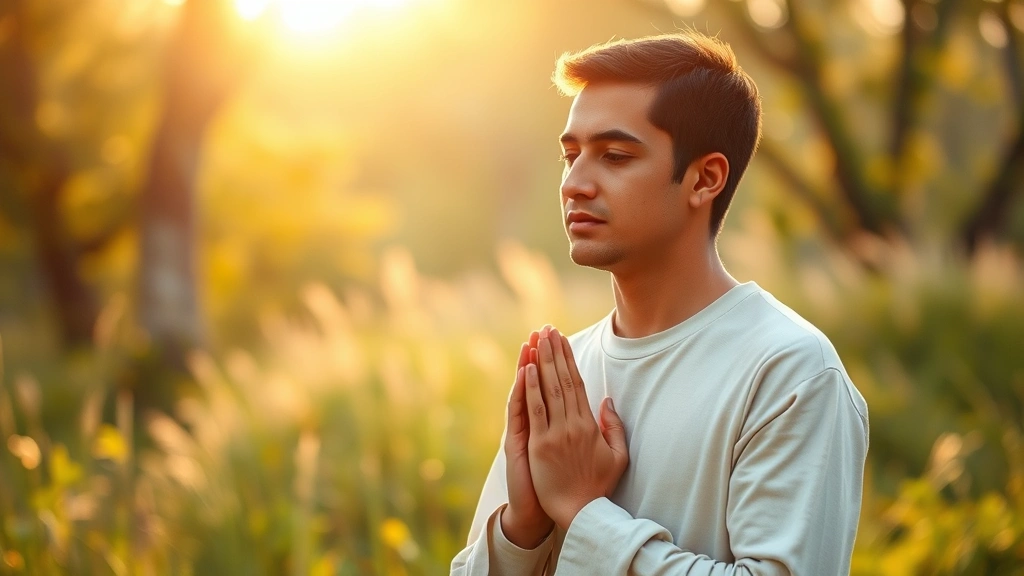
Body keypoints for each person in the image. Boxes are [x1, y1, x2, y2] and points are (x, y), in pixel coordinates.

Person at [451, 31, 869, 575]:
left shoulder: (790, 373)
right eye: (570, 155)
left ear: (705, 178)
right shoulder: (563, 372)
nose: (574, 183)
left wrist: (581, 513)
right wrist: (523, 530)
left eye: (615, 156)